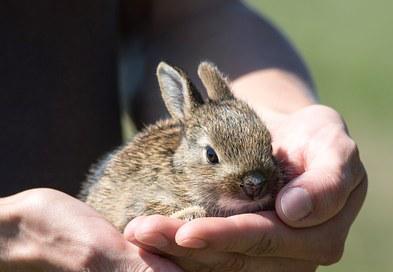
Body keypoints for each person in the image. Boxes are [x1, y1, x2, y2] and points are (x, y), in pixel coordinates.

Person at [0, 1, 367, 271]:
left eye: (265, 153)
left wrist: (285, 113)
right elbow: (139, 210)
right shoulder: (169, 188)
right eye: (213, 158)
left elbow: (184, 13)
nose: (255, 182)